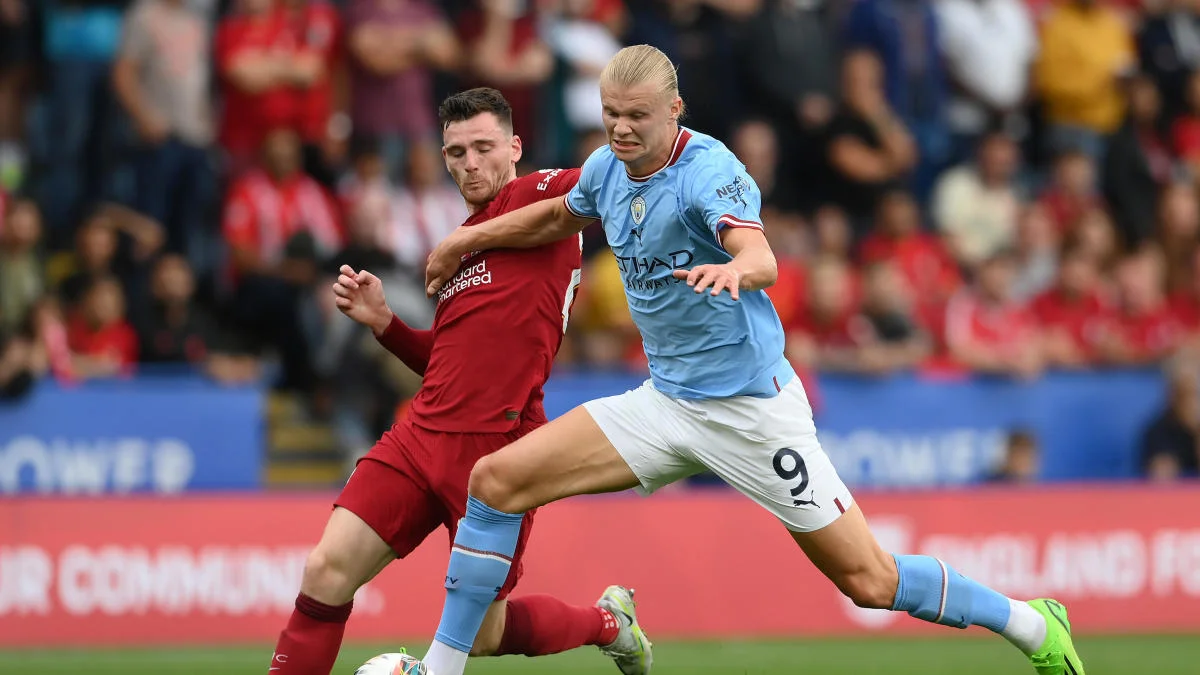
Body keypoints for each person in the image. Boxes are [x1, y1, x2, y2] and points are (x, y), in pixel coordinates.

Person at [419, 45, 1085, 675]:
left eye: (636, 116)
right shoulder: (606, 169)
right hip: (665, 403)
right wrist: (465, 241)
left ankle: (1032, 623)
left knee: (870, 580)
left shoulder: (709, 171)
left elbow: (759, 254)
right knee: (495, 481)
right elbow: (555, 218)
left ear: (674, 110)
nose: (620, 129)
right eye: (610, 113)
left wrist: (736, 271)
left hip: (750, 411)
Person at [267, 88, 638, 675]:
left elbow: (607, 173)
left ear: (515, 148)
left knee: (486, 635)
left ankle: (608, 622)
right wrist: (386, 325)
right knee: (325, 570)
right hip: (420, 435)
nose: (470, 163)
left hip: (496, 452)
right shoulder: (465, 240)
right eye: (456, 152)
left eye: (484, 147)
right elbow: (447, 364)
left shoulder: (538, 197)